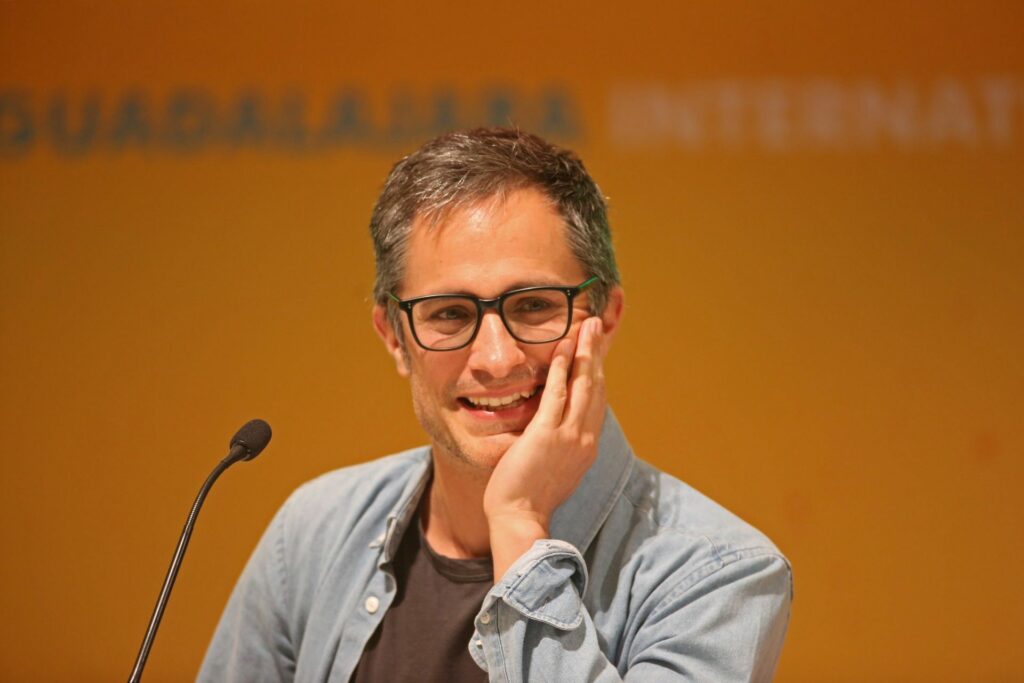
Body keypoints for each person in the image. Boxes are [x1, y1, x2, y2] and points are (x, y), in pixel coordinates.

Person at [199, 128, 793, 682]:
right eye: (450, 314)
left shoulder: (718, 575)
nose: (497, 359)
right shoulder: (313, 531)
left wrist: (519, 525)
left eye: (534, 306)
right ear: (394, 337)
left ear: (605, 316)